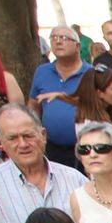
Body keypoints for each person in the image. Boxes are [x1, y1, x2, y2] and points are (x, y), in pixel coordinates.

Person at [29, 27, 91, 169]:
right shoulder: (42, 71)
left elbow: (98, 105)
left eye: (64, 38)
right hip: (51, 148)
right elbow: (33, 106)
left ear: (77, 46)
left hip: (86, 147)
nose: (58, 42)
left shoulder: (90, 73)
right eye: (54, 38)